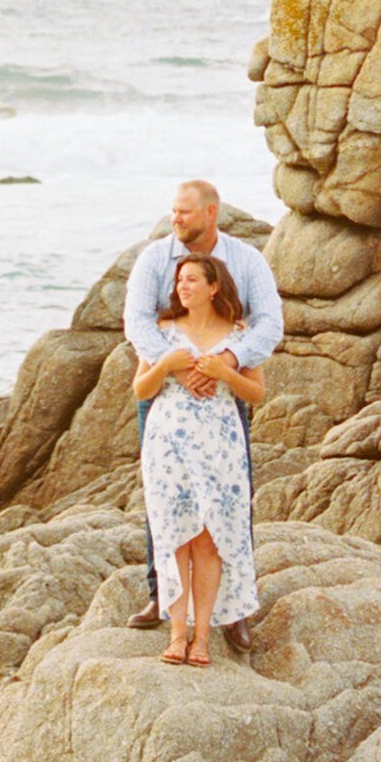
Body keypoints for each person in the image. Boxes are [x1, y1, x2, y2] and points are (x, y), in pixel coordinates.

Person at [123, 181, 283, 633]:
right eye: (173, 211)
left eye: (185, 213)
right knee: (164, 497)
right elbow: (136, 321)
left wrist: (228, 360)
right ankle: (161, 597)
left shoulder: (247, 261)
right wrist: (180, 368)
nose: (176, 219)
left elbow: (270, 323)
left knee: (231, 500)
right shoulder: (155, 260)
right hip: (166, 394)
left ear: (211, 213)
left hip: (222, 398)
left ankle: (236, 611)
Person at [134, 251, 264, 665]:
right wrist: (168, 365)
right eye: (179, 280)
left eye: (192, 280)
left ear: (213, 287)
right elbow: (140, 390)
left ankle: (203, 636)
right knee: (175, 535)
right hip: (168, 442)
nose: (182, 287)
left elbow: (257, 394)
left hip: (220, 443)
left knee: (208, 538)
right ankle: (176, 633)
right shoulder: (163, 333)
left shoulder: (240, 335)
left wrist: (225, 373)